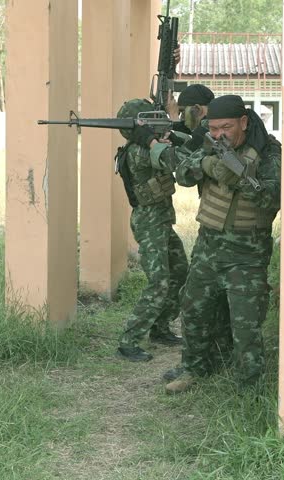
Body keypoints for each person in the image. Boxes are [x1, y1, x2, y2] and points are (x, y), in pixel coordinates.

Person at [166, 95, 282, 393]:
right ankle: (193, 368)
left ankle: (249, 386)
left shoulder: (269, 154)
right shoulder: (209, 144)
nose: (219, 134)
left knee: (245, 324)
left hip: (248, 251)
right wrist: (207, 164)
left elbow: (275, 198)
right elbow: (181, 173)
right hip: (208, 246)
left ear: (243, 122)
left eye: (226, 127)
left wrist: (243, 179)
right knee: (194, 309)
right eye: (214, 128)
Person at [115, 97, 189, 362]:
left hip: (160, 220)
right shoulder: (138, 151)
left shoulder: (146, 145)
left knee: (181, 272)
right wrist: (160, 137)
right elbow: (176, 161)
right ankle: (129, 341)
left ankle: (159, 327)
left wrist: (167, 131)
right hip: (149, 222)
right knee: (158, 282)